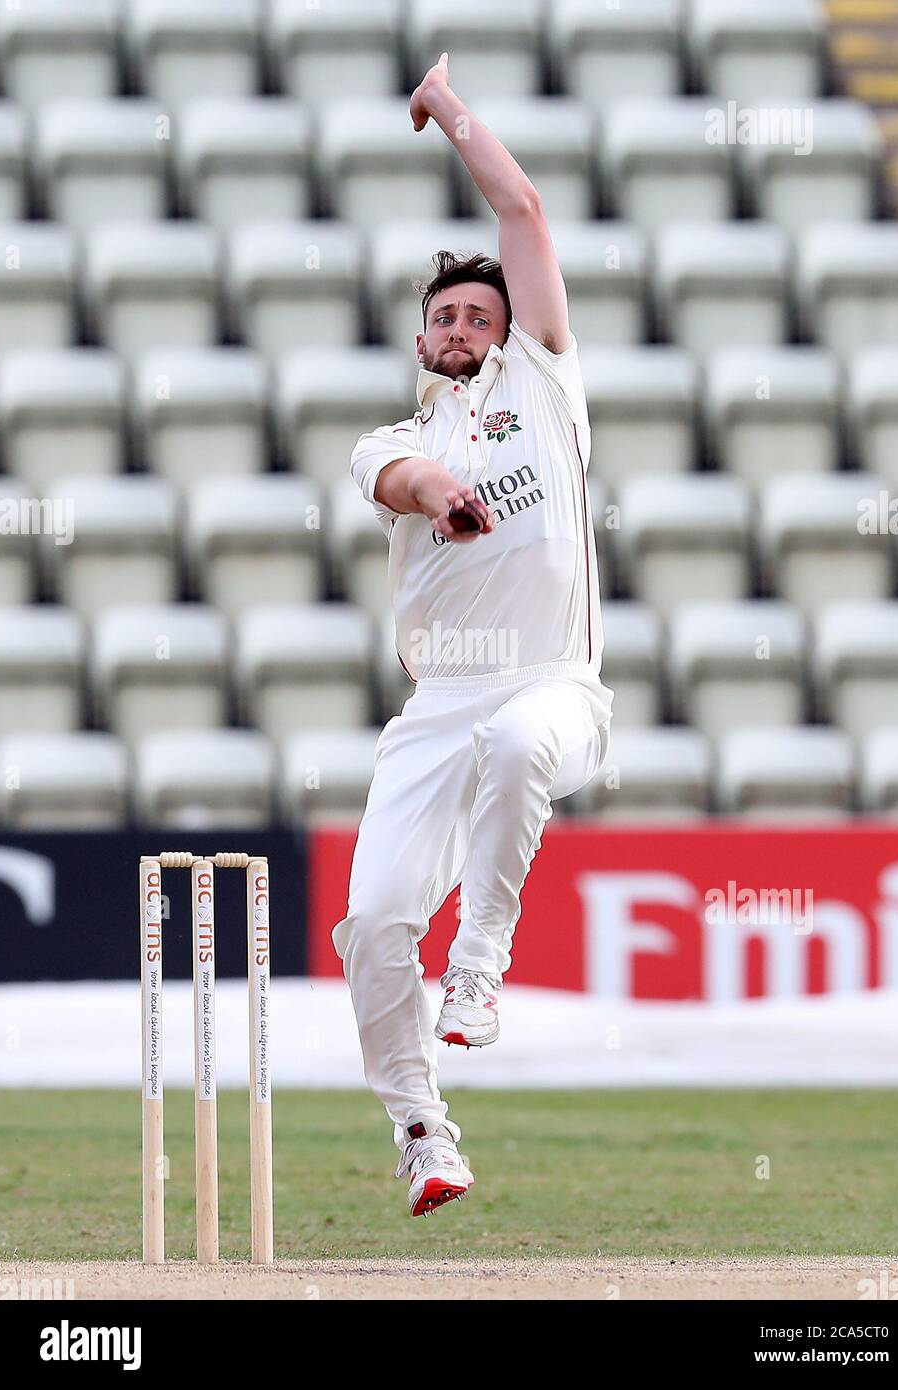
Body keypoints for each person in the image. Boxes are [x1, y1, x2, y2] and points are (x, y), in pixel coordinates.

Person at [331, 54, 614, 1218]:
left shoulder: (545, 382)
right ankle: (421, 1130)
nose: (459, 326)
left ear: (514, 333)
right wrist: (439, 490)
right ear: (418, 342)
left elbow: (522, 210)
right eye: (442, 315)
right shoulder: (387, 436)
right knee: (368, 926)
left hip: (553, 686)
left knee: (518, 744)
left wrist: (446, 108)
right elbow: (399, 478)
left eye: (478, 315)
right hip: (434, 707)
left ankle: (481, 966)